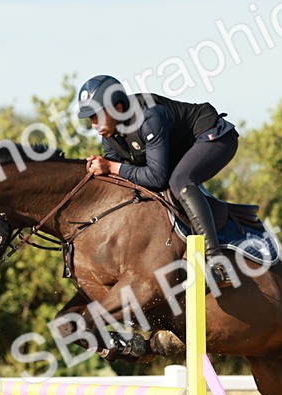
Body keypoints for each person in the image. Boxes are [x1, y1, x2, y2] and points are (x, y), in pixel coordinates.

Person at [77, 74, 238, 288]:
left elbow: (156, 177)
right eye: (91, 118)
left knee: (180, 182)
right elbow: (121, 181)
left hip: (214, 136)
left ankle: (218, 264)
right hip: (180, 151)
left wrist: (112, 167)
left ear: (117, 107)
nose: (94, 124)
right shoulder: (110, 136)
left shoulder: (148, 117)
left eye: (97, 115)